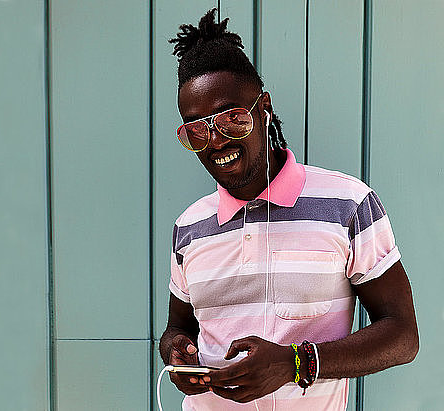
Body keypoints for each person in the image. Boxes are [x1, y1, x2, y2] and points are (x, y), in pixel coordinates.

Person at [159, 8, 419, 411]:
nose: (215, 141)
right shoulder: (189, 227)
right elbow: (179, 327)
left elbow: (402, 336)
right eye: (196, 129)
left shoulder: (347, 205)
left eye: (231, 118)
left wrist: (295, 363)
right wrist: (177, 352)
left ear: (263, 107)